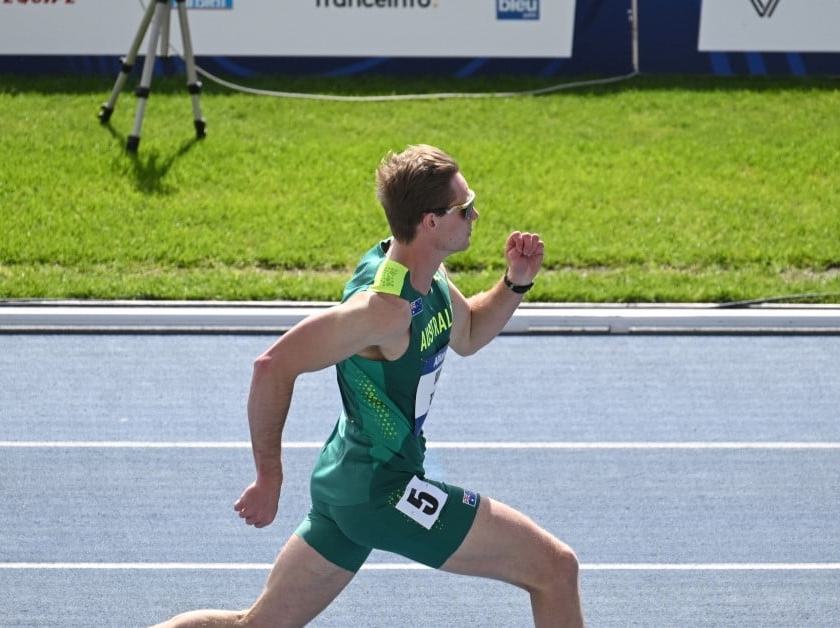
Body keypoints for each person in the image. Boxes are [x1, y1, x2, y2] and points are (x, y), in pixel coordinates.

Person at [155, 145, 583, 627]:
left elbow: (467, 334)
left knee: (254, 626)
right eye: (465, 207)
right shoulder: (383, 312)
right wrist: (269, 476)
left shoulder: (425, 270)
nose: (475, 213)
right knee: (555, 569)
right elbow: (272, 366)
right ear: (431, 222)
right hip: (383, 491)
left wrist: (515, 283)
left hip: (348, 483)